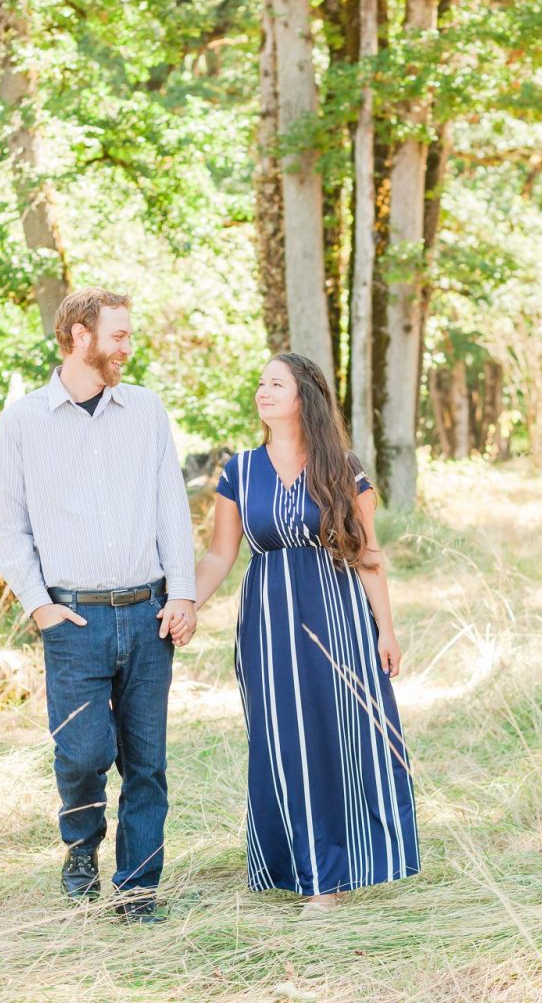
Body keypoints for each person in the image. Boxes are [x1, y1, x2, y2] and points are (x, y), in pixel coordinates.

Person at [0, 288, 197, 922]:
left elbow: (171, 508)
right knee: (81, 754)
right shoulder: (23, 421)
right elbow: (8, 526)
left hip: (147, 612)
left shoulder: (146, 411)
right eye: (119, 336)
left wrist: (182, 592)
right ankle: (81, 847)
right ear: (79, 335)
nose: (128, 348)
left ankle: (137, 890)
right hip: (72, 620)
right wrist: (39, 605)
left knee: (147, 763)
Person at [192, 352, 420, 916]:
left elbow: (368, 555)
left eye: (276, 383)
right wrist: (184, 604)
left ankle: (342, 870)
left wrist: (385, 630)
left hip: (338, 619)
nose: (262, 391)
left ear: (304, 397)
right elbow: (221, 555)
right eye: (260, 382)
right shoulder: (240, 471)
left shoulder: (342, 467)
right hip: (268, 627)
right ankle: (307, 871)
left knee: (341, 736)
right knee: (285, 740)